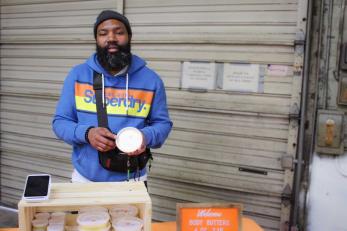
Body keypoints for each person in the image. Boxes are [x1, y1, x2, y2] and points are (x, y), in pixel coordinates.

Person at [52, 10, 172, 183]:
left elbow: (163, 124)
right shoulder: (77, 75)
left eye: (119, 32)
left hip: (133, 179)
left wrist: (144, 137)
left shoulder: (151, 80)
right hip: (85, 178)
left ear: (129, 37)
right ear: (96, 40)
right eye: (103, 33)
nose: (111, 38)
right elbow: (60, 122)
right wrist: (87, 133)